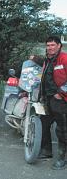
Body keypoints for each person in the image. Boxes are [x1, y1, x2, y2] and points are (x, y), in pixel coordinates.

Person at [32, 36, 67, 170]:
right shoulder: (47, 60)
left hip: (60, 100)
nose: (50, 47)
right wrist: (33, 58)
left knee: (62, 129)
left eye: (53, 45)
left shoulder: (64, 58)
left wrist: (61, 93)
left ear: (59, 46)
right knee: (43, 124)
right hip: (47, 99)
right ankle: (46, 151)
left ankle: (62, 158)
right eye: (48, 45)